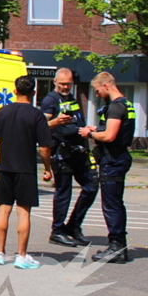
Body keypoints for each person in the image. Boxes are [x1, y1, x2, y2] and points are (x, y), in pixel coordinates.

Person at [0, 75, 53, 269]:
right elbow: (44, 147)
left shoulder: (2, 112)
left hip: (5, 168)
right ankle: (22, 256)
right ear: (33, 92)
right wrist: (47, 168)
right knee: (23, 213)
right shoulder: (36, 115)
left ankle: (0, 252)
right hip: (26, 169)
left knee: (3, 209)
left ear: (15, 91)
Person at [79, 72, 136, 264]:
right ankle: (119, 246)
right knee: (115, 203)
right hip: (118, 158)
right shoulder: (126, 104)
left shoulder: (115, 107)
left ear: (106, 86)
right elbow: (115, 132)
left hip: (113, 160)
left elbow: (110, 136)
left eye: (97, 90)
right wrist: (99, 130)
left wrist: (89, 134)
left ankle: (116, 247)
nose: (96, 94)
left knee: (111, 205)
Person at [39, 68, 97, 248]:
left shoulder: (71, 98)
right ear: (55, 82)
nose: (65, 87)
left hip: (78, 151)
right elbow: (40, 126)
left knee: (91, 187)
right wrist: (55, 122)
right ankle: (57, 231)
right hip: (61, 152)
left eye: (68, 84)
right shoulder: (50, 100)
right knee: (64, 192)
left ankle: (73, 226)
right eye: (62, 84)